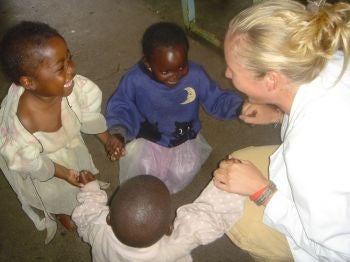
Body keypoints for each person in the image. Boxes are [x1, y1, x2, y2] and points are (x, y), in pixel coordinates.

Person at [213, 0, 350, 261]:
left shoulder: (309, 150)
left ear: (271, 80)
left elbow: (338, 251)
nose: (227, 73)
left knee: (234, 209)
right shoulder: (331, 61)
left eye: (233, 68)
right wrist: (278, 113)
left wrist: (262, 192)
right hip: (329, 190)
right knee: (237, 163)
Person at [0, 21, 120, 243]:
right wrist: (67, 174)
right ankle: (60, 209)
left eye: (69, 58)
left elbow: (87, 114)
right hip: (43, 163)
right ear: (28, 82)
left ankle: (73, 191)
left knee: (78, 167)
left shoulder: (76, 88)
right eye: (60, 67)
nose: (72, 69)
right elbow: (34, 164)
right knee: (56, 191)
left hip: (67, 144)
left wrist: (107, 139)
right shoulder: (22, 127)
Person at [106, 22, 243, 193]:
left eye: (181, 67)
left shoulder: (196, 75)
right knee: (145, 174)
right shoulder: (135, 80)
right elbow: (122, 105)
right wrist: (119, 133)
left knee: (183, 171)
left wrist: (240, 107)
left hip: (183, 138)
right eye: (165, 72)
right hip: (150, 139)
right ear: (147, 62)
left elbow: (216, 99)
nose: (175, 77)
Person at [72, 172, 245, 262]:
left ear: (109, 218)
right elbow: (208, 216)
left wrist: (91, 188)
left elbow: (88, 212)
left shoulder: (99, 226)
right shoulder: (174, 245)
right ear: (169, 229)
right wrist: (228, 187)